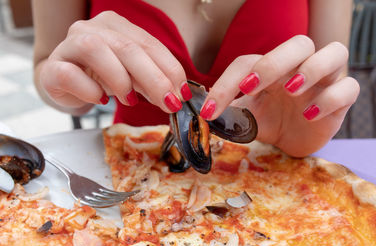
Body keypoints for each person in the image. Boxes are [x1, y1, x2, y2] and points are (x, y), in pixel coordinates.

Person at [32, 0, 359, 157]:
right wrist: (64, 82)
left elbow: (329, 79)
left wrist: (308, 115)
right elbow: (47, 62)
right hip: (128, 170)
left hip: (277, 172)